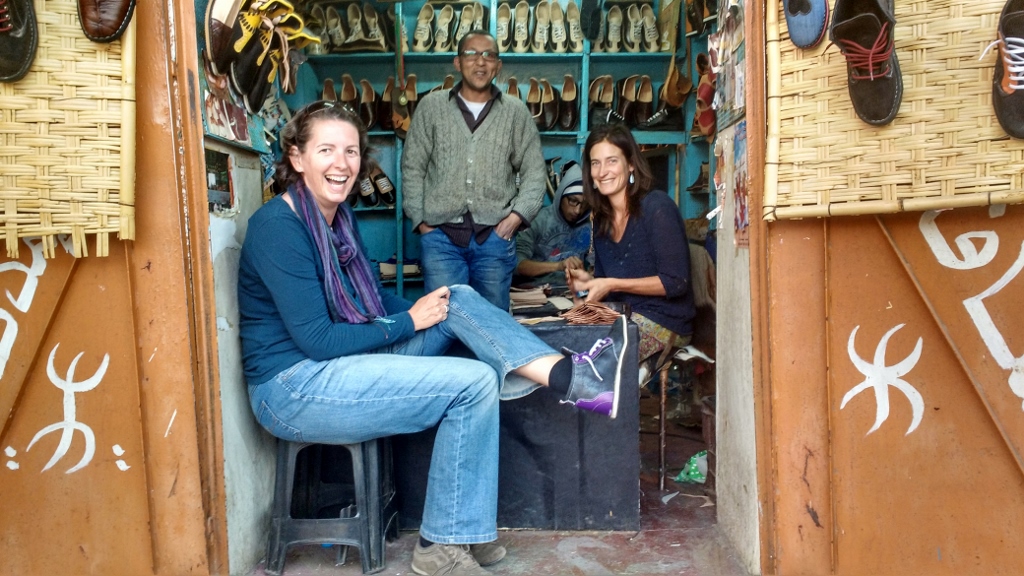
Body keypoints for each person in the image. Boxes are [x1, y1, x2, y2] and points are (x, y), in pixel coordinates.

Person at [237, 102, 629, 576]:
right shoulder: (278, 227)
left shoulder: (337, 220)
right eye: (326, 150)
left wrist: (429, 309)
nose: (342, 164)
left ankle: (566, 382)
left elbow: (372, 300)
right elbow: (318, 339)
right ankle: (442, 544)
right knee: (473, 382)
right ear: (297, 158)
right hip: (294, 388)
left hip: (332, 368)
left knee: (457, 297)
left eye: (352, 151)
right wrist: (411, 321)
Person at [402, 30, 547, 312]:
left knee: (493, 326)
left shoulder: (515, 112)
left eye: (489, 55)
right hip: (440, 240)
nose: (480, 61)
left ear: (498, 65)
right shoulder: (431, 107)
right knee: (443, 321)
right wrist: (421, 221)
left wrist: (515, 219)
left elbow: (534, 172)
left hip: (494, 240)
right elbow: (412, 166)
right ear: (457, 63)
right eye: (471, 53)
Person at [566, 123, 695, 380]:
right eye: (595, 163)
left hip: (665, 321)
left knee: (591, 366)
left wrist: (610, 283)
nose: (603, 172)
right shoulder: (601, 223)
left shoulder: (656, 207)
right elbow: (606, 289)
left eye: (611, 161)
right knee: (561, 341)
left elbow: (676, 281)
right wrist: (585, 287)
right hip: (622, 315)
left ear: (631, 164)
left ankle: (611, 418)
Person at [514, 162, 591, 288]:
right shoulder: (537, 220)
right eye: (572, 201)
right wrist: (558, 266)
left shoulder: (589, 227)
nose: (578, 211)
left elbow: (595, 267)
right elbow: (518, 265)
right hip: (538, 292)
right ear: (561, 196)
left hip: (572, 291)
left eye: (583, 205)